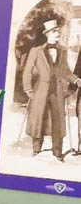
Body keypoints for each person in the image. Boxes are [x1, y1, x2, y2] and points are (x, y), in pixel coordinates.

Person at [22, 19, 81, 162]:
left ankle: (57, 152)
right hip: (40, 90)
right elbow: (27, 71)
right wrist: (28, 88)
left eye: (58, 32)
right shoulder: (35, 51)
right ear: (48, 34)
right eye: (55, 32)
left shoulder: (62, 51)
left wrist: (76, 80)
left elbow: (65, 71)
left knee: (58, 121)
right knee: (38, 120)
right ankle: (36, 149)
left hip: (57, 91)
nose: (58, 35)